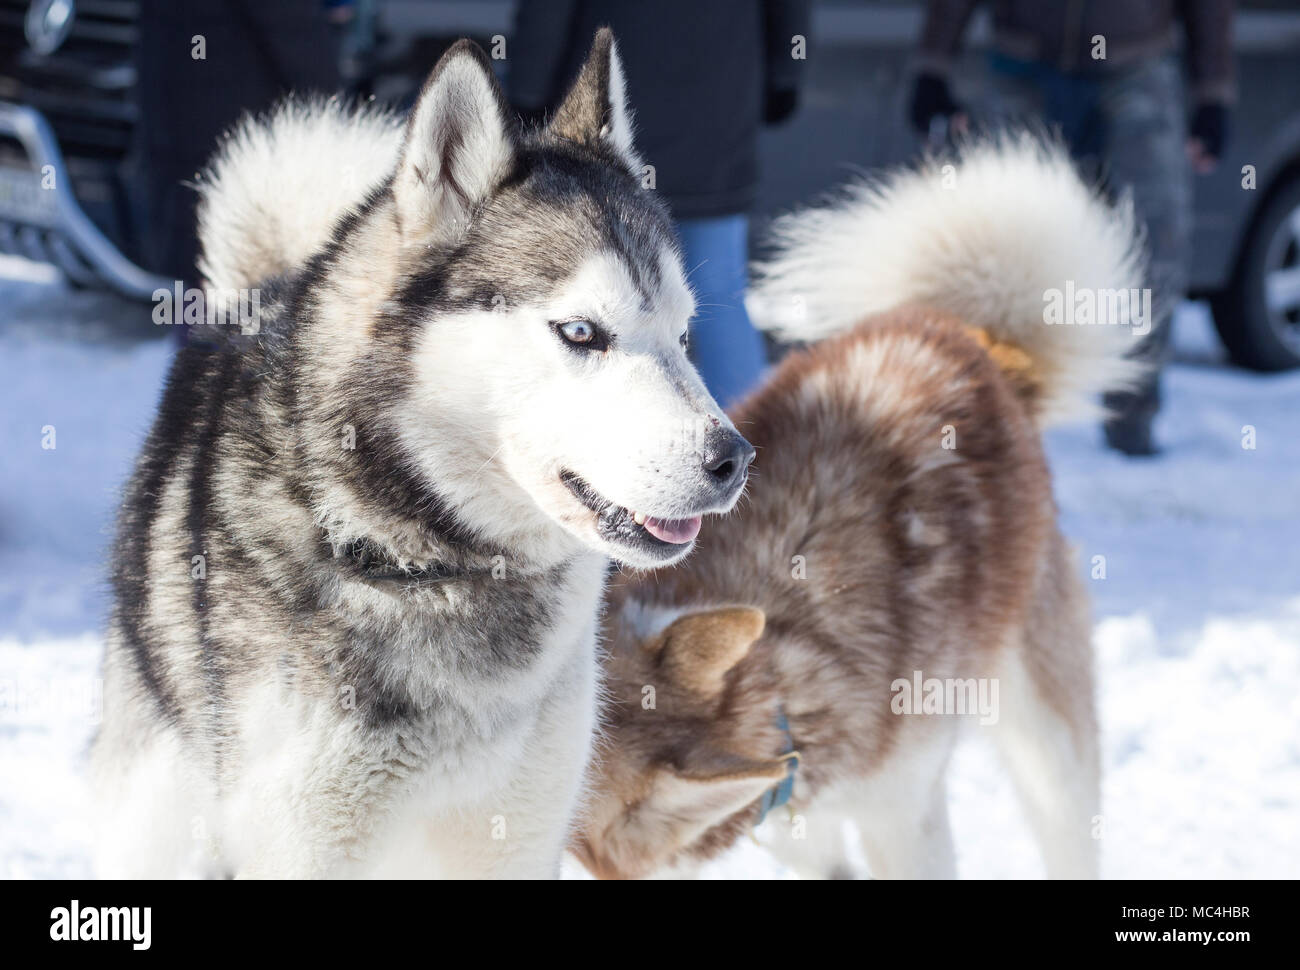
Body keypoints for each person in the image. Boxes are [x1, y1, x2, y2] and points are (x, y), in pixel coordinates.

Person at [908, 0, 1236, 456]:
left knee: (1154, 242)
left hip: (1136, 64)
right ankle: (999, 415)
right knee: (1002, 246)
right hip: (1020, 64)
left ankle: (1131, 416)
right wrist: (932, 66)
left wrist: (1214, 92)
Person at [508, 0, 810, 408]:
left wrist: (527, 90)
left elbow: (548, 10)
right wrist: (785, 74)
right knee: (720, 287)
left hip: (602, 112)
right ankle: (757, 446)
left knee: (597, 294)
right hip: (718, 104)